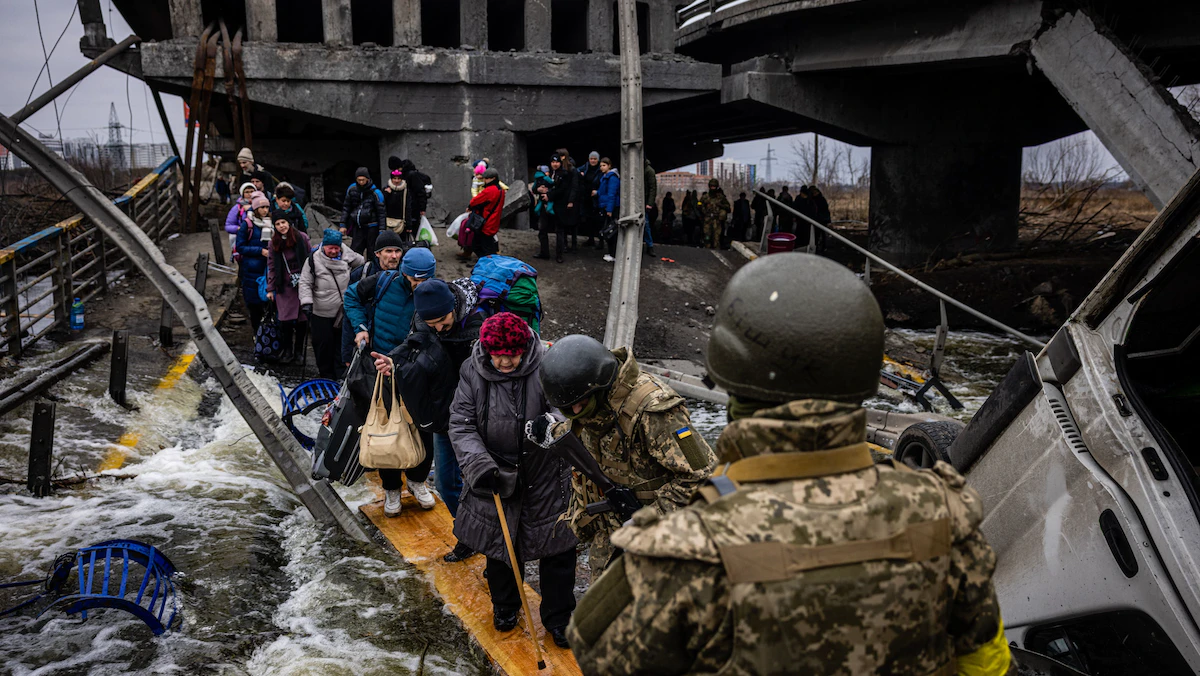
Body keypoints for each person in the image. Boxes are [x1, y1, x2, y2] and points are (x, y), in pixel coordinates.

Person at [567, 253, 1014, 676]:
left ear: (731, 380)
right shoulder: (943, 514)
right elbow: (988, 664)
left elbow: (598, 656)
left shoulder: (685, 551)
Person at [534, 334, 716, 575]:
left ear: (599, 385)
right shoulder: (596, 400)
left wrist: (649, 519)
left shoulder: (655, 411)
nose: (576, 411)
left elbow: (702, 477)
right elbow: (592, 426)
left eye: (581, 403)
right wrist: (552, 432)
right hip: (609, 537)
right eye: (569, 408)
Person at [449, 313, 577, 648]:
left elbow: (565, 410)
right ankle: (505, 606)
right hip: (496, 473)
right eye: (498, 356)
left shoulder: (547, 364)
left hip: (546, 473)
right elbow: (462, 424)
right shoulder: (471, 370)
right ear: (487, 350)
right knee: (501, 545)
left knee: (558, 549)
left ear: (524, 349)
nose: (505, 362)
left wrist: (551, 425)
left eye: (513, 355)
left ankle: (560, 618)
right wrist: (480, 466)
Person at [371, 277, 484, 561]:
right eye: (431, 323)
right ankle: (468, 537)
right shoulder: (423, 320)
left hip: (476, 415)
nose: (438, 329)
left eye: (443, 321)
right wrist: (393, 361)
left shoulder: (476, 324)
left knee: (480, 482)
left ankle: (490, 539)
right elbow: (414, 345)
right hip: (444, 414)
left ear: (453, 308)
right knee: (445, 483)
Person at [345, 241, 438, 515]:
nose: (418, 286)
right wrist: (360, 327)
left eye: (424, 280)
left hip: (417, 370)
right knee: (385, 427)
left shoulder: (435, 292)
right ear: (403, 273)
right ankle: (392, 488)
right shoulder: (383, 281)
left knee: (423, 426)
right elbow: (351, 296)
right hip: (381, 368)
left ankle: (418, 481)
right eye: (413, 280)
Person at [299, 228, 364, 379]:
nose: (334, 251)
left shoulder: (348, 255)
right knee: (323, 346)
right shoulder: (313, 260)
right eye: (331, 248)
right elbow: (305, 282)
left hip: (343, 312)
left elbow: (362, 264)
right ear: (324, 246)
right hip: (321, 312)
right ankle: (326, 375)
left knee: (341, 345)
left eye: (336, 248)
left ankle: (340, 376)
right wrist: (306, 302)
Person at [266, 210, 312, 363]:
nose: (281, 226)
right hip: (284, 285)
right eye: (278, 224)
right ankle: (287, 350)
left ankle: (298, 352)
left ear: (289, 223)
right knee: (285, 319)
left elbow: (310, 258)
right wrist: (270, 288)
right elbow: (272, 266)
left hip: (302, 282)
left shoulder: (301, 237)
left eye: (283, 222)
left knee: (302, 319)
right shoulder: (273, 243)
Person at [234, 191, 274, 331]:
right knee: (255, 305)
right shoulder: (248, 224)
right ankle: (257, 333)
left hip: (268, 267)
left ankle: (268, 334)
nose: (265, 210)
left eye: (267, 207)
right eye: (262, 207)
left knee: (269, 303)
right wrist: (259, 251)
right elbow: (240, 247)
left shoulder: (271, 223)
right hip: (252, 269)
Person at [341, 167, 387, 258]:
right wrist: (343, 224)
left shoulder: (376, 193)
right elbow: (346, 207)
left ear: (368, 179)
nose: (361, 182)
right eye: (359, 180)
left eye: (363, 180)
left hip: (372, 226)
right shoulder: (352, 190)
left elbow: (381, 213)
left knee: (372, 252)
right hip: (358, 226)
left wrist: (382, 230)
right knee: (355, 252)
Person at [462, 167, 505, 260]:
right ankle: (488, 260)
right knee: (486, 244)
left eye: (486, 178)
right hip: (494, 221)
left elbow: (475, 201)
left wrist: (470, 207)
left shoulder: (490, 190)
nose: (484, 180)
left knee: (482, 246)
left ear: (493, 178)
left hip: (485, 223)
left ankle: (488, 263)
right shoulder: (501, 190)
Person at [553, 148, 583, 254]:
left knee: (573, 223)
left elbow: (575, 186)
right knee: (563, 223)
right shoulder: (559, 170)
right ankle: (564, 244)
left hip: (571, 199)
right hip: (562, 199)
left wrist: (571, 200)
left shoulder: (572, 170)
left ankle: (574, 244)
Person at [597, 158, 620, 263]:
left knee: (611, 231)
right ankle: (612, 253)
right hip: (606, 206)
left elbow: (612, 194)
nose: (602, 167)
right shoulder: (606, 177)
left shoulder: (612, 178)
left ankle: (613, 254)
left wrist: (609, 209)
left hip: (611, 207)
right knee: (609, 230)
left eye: (604, 165)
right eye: (601, 166)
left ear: (609, 165)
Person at [579, 151, 604, 249]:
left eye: (595, 159)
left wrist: (598, 192)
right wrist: (580, 174)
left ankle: (601, 241)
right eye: (591, 159)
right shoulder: (585, 167)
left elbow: (603, 184)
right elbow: (576, 170)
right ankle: (591, 239)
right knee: (588, 220)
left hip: (597, 198)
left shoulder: (601, 169)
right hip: (586, 198)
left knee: (599, 221)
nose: (593, 161)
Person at [225, 182, 256, 255]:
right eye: (247, 192)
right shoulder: (237, 208)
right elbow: (228, 226)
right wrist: (240, 228)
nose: (250, 194)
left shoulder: (261, 205)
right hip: (243, 238)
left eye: (252, 191)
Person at [700, 178, 731, 250]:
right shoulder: (705, 197)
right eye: (712, 186)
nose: (713, 188)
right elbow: (699, 204)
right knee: (707, 236)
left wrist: (721, 206)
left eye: (714, 186)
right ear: (709, 186)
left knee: (716, 238)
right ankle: (707, 250)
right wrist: (703, 210)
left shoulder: (721, 197)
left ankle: (717, 251)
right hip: (707, 219)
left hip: (717, 220)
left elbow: (728, 207)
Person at [383, 168, 413, 243]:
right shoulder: (386, 189)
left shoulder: (405, 191)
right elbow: (381, 205)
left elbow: (408, 208)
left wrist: (409, 224)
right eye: (394, 178)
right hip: (388, 222)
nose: (396, 181)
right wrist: (386, 194)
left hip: (401, 223)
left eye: (399, 179)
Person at [811, 184, 832, 253]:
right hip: (819, 219)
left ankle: (822, 246)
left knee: (822, 234)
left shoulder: (820, 200)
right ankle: (817, 246)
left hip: (821, 219)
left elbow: (824, 210)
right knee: (817, 234)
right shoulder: (814, 200)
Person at [643, 158, 658, 253]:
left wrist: (649, 203)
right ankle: (649, 245)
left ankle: (650, 245)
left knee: (646, 224)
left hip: (644, 201)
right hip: (639, 199)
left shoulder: (649, 171)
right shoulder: (640, 169)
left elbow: (653, 188)